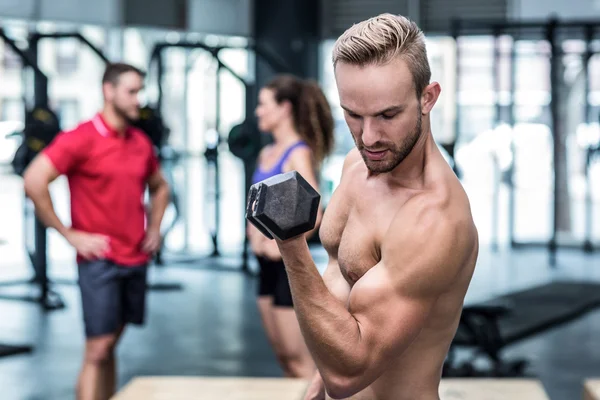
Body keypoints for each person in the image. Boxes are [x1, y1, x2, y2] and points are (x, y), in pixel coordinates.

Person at [268, 14, 479, 400]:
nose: (369, 137)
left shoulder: (433, 219)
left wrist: (291, 246)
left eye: (387, 115)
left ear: (427, 97)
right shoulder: (356, 165)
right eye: (353, 114)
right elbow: (339, 294)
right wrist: (317, 384)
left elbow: (350, 374)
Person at [23, 63, 170, 400]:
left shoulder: (139, 142)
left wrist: (156, 227)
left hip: (135, 256)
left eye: (139, 91)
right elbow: (34, 180)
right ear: (109, 91)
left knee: (109, 348)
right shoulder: (80, 138)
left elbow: (161, 187)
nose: (138, 100)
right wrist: (68, 233)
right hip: (99, 259)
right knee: (98, 350)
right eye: (131, 92)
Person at [248, 74, 335, 378]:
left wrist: (279, 244)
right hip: (264, 267)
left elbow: (316, 212)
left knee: (301, 365)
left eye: (263, 105)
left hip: (287, 267)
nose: (258, 111)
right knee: (285, 359)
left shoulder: (297, 152)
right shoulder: (266, 153)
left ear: (284, 108)